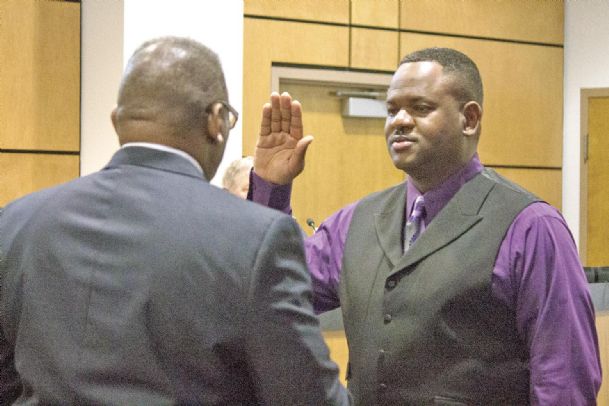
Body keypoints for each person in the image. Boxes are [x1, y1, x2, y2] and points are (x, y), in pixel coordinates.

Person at [0, 37, 350, 405]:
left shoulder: (17, 222)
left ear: (117, 122)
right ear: (217, 121)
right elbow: (307, 396)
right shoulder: (255, 238)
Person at [249, 47, 602, 405]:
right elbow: (271, 295)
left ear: (470, 119)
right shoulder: (354, 222)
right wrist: (270, 188)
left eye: (420, 108)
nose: (399, 121)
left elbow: (564, 380)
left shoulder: (531, 228)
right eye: (391, 110)